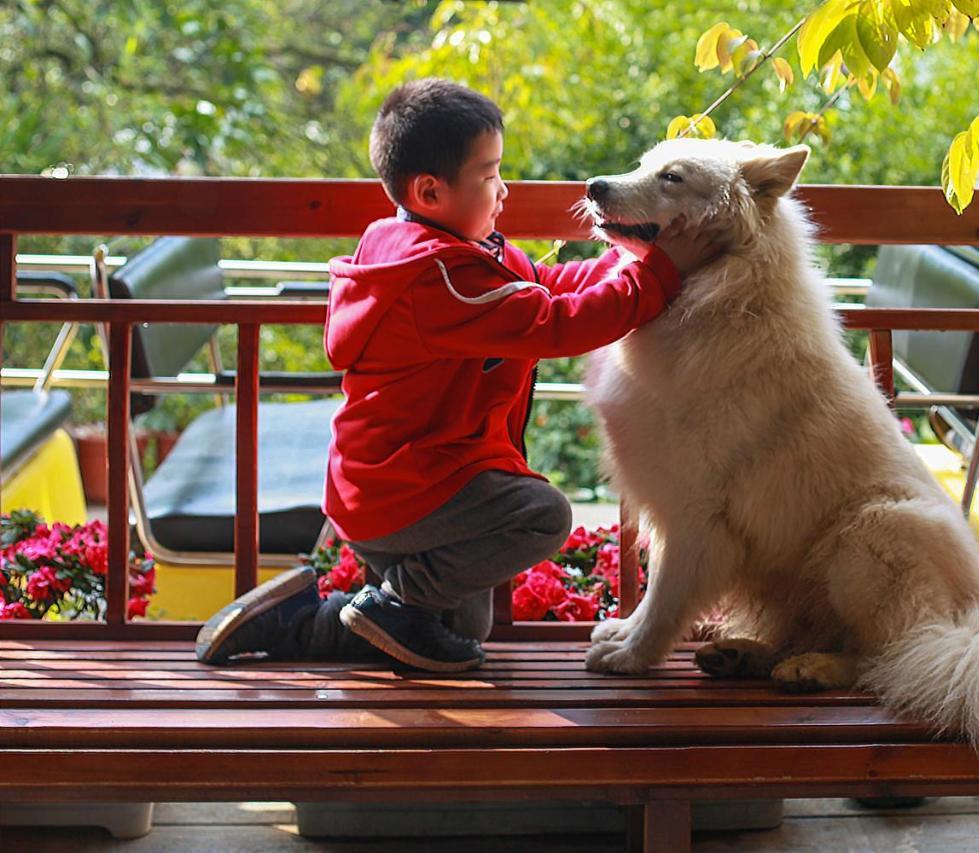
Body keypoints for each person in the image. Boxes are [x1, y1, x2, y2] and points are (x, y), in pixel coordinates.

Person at [195, 78, 722, 670]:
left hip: (398, 481)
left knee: (459, 627)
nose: (504, 190)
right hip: (409, 488)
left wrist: (628, 258)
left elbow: (543, 288)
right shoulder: (436, 279)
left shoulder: (450, 251)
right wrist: (655, 276)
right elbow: (552, 323)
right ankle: (392, 605)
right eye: (490, 174)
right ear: (430, 190)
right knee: (542, 515)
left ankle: (299, 622)